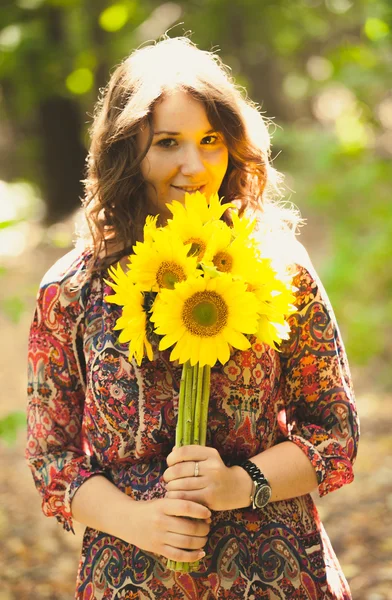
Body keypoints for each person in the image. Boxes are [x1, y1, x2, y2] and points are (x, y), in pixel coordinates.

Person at [26, 35, 360, 599]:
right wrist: (135, 521)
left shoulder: (278, 268)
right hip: (130, 578)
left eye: (210, 140)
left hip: (278, 575)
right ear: (126, 152)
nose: (195, 165)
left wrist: (240, 483)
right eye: (167, 143)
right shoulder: (70, 290)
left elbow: (335, 433)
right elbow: (52, 461)